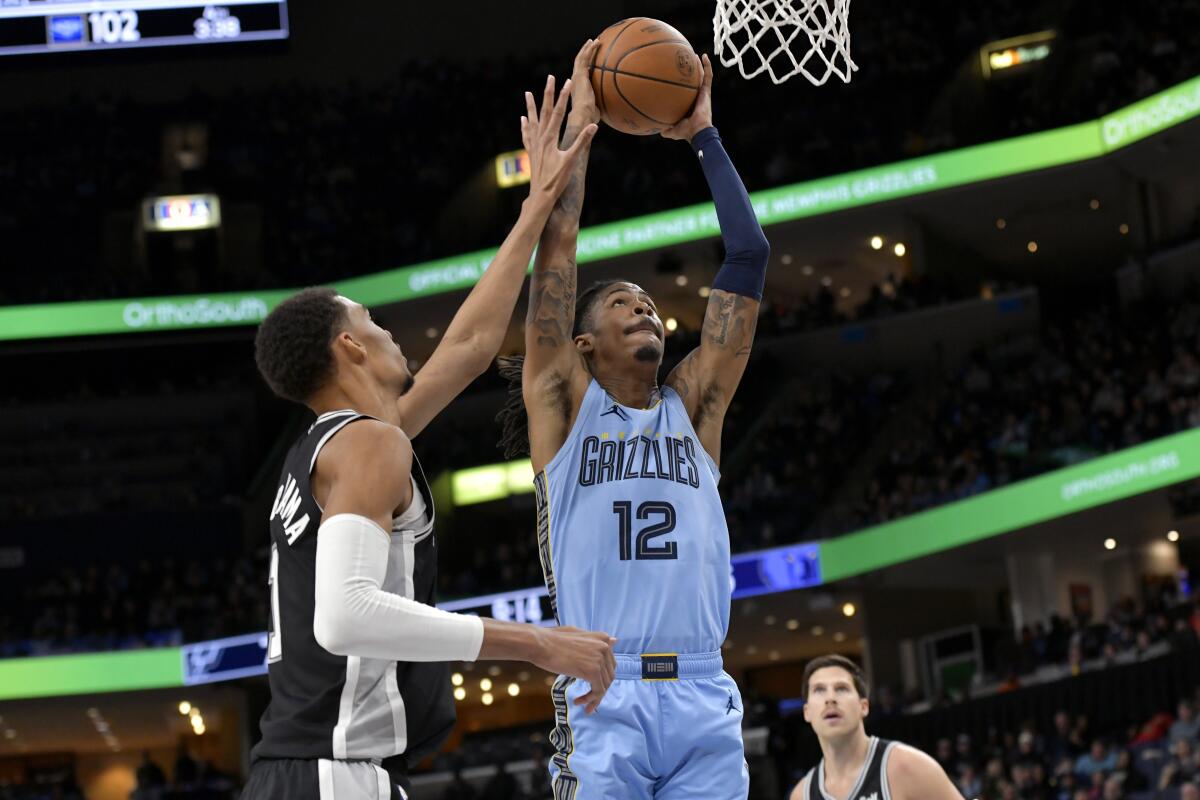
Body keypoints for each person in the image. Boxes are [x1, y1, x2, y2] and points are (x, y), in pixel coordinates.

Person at [241, 77, 614, 800]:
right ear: (349, 347)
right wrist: (538, 643)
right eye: (374, 320)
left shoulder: (342, 445)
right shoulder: (367, 446)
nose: (390, 330)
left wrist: (539, 208)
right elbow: (347, 616)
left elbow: (473, 344)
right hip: (333, 773)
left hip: (316, 771)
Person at [497, 39, 769, 799]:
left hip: (702, 689)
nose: (645, 307)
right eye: (622, 303)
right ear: (581, 344)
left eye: (648, 304)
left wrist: (705, 137)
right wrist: (582, 131)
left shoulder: (694, 408)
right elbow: (556, 252)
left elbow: (748, 252)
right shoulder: (563, 407)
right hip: (601, 692)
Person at [789, 655, 961, 800]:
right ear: (807, 712)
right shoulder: (801, 795)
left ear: (863, 706)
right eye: (819, 690)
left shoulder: (906, 766)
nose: (830, 698)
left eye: (841, 688)